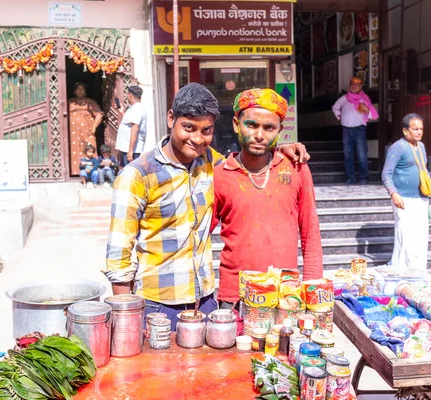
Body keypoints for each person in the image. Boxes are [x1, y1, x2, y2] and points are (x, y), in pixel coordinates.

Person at [104, 83, 309, 331]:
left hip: (206, 302)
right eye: (188, 128)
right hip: (157, 305)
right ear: (171, 119)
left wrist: (280, 151)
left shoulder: (212, 163)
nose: (197, 139)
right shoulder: (138, 174)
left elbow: (249, 163)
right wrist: (125, 319)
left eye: (206, 130)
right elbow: (119, 256)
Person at [211, 88, 323, 308]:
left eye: (269, 127)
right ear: (236, 124)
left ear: (279, 130)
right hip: (235, 297)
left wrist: (312, 289)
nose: (259, 135)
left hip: (285, 294)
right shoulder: (220, 175)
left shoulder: (296, 168)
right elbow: (199, 236)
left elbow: (310, 233)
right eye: (251, 125)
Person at [381, 113, 431, 271]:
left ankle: (417, 270)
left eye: (421, 129)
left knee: (420, 237)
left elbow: (424, 171)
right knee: (406, 237)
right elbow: (386, 174)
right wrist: (394, 194)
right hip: (404, 199)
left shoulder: (421, 146)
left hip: (421, 198)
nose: (419, 132)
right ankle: (403, 270)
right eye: (415, 129)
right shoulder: (397, 147)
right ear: (405, 131)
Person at [332, 77, 378, 184]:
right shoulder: (344, 98)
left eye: (357, 84)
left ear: (361, 87)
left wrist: (366, 109)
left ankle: (364, 178)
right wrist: (339, 117)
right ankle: (350, 178)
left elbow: (371, 112)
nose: (354, 86)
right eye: (352, 84)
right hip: (347, 129)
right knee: (348, 155)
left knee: (362, 154)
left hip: (359, 129)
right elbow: (335, 107)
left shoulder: (364, 98)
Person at [68, 82, 103, 176]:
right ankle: (75, 171)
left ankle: (92, 173)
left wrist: (94, 127)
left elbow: (99, 114)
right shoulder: (69, 102)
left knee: (88, 149)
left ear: (85, 92)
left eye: (82, 89)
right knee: (73, 149)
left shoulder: (90, 102)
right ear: (74, 91)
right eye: (78, 89)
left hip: (87, 131)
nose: (80, 91)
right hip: (73, 133)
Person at [116, 86, 147, 168]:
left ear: (130, 95)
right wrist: (123, 113)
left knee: (130, 173)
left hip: (131, 149)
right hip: (126, 148)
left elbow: (135, 130)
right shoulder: (134, 109)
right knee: (123, 171)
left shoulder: (137, 109)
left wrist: (130, 151)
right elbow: (129, 124)